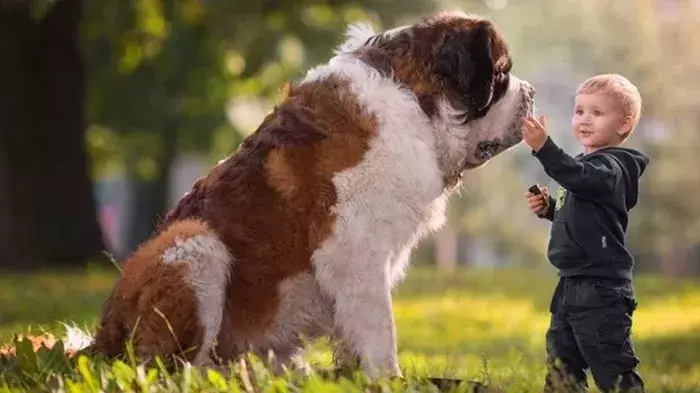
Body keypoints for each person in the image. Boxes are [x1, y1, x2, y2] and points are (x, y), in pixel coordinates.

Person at [522, 74, 650, 393]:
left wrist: (544, 148)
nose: (584, 120)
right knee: (562, 370)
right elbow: (583, 211)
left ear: (623, 125)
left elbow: (580, 178)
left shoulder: (614, 168)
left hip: (601, 290)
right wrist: (550, 208)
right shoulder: (588, 168)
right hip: (570, 285)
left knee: (612, 371)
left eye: (597, 112)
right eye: (579, 111)